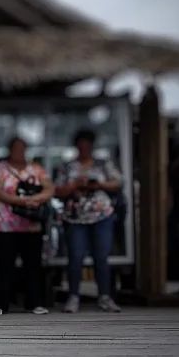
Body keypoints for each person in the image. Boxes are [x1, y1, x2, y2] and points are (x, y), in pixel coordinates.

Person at [54, 129, 123, 313]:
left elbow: (117, 183)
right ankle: (73, 296)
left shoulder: (103, 164)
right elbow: (57, 190)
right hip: (75, 218)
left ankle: (105, 297)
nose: (84, 148)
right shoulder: (67, 166)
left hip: (102, 215)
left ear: (92, 146)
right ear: (76, 146)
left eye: (88, 145)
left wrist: (98, 184)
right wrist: (74, 185)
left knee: (101, 258)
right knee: (75, 257)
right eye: (81, 145)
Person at [0, 137, 54, 316]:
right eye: (16, 148)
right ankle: (0, 303)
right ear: (10, 149)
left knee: (33, 265)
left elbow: (49, 188)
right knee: (4, 265)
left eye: (22, 148)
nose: (19, 151)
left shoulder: (36, 169)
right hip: (5, 225)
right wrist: (20, 201)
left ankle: (35, 302)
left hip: (31, 225)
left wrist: (35, 200)